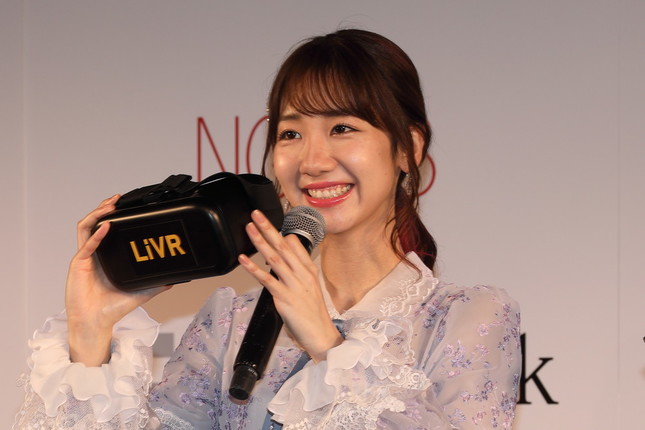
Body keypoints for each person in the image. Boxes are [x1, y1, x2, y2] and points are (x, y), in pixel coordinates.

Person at [15, 29, 521, 429]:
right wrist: (90, 332)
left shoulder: (466, 317)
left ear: (408, 148)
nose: (312, 161)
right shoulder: (229, 322)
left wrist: (328, 346)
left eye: (342, 128)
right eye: (290, 133)